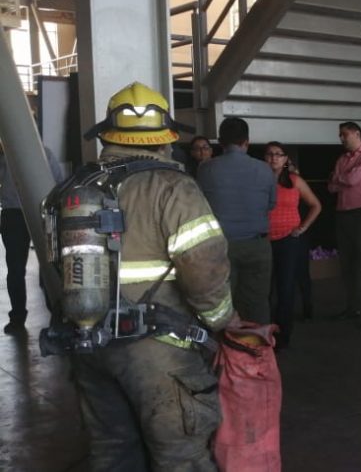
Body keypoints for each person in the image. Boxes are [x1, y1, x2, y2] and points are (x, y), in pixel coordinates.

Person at [68, 82, 235, 470]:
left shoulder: (76, 188)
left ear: (109, 136)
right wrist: (222, 321)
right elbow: (205, 267)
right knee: (181, 457)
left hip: (88, 346)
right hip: (157, 353)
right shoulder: (173, 187)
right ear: (165, 140)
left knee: (112, 451)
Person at [197, 117, 276, 324]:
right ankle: (258, 351)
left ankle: (226, 353)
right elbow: (271, 204)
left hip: (220, 248)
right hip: (257, 246)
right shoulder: (264, 169)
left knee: (222, 305)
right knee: (257, 303)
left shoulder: (206, 169)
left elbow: (199, 207)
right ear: (246, 142)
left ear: (221, 143)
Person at [0, 144, 63, 334]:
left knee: (45, 266)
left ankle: (53, 315)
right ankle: (23, 316)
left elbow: (58, 183)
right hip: (19, 213)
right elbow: (59, 182)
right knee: (23, 268)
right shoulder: (9, 154)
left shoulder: (42, 153)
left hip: (33, 212)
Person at [264, 141, 321, 348]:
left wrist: (303, 227)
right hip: (264, 240)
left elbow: (316, 205)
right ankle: (264, 332)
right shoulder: (259, 180)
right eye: (270, 154)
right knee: (264, 290)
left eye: (279, 154)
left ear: (286, 159)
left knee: (285, 288)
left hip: (289, 240)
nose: (274, 158)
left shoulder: (295, 181)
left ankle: (283, 336)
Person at [327, 121, 361, 323]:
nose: (341, 138)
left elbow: (349, 180)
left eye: (344, 134)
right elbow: (332, 187)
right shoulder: (342, 159)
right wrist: (343, 178)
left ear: (357, 134)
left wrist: (339, 177)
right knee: (348, 264)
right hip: (343, 214)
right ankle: (353, 308)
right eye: (340, 135)